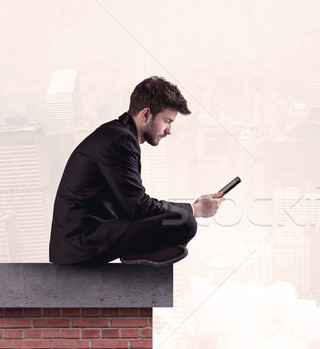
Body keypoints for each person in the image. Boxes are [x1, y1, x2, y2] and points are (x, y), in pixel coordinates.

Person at [49, 76, 222, 266]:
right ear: (146, 114)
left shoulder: (117, 133)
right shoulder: (120, 140)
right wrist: (194, 210)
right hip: (81, 244)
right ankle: (138, 252)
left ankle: (141, 251)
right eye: (167, 121)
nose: (169, 130)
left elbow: (130, 205)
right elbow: (139, 207)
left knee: (181, 220)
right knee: (185, 222)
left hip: (81, 239)